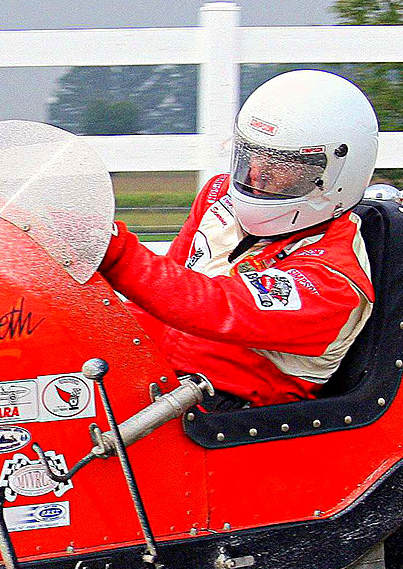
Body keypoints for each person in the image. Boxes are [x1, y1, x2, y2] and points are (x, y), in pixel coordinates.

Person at [98, 70, 381, 407]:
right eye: (253, 154)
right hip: (163, 382)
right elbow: (159, 300)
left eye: (284, 163)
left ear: (331, 176)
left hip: (229, 418)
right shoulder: (219, 197)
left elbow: (217, 308)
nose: (259, 171)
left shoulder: (333, 279)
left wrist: (115, 252)